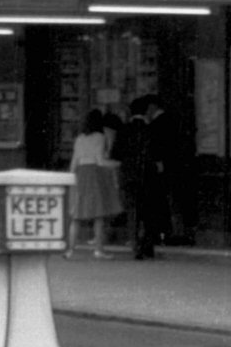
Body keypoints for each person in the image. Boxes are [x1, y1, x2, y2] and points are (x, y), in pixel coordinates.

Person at [122, 94, 174, 260]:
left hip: (129, 176)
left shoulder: (124, 130)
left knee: (133, 212)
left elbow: (117, 153)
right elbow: (157, 153)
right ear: (146, 111)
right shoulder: (151, 129)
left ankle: (135, 245)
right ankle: (148, 244)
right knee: (150, 211)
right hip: (148, 175)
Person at [67, 108, 123, 258]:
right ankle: (99, 249)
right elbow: (100, 160)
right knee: (98, 215)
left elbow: (74, 161)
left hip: (80, 174)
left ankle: (70, 250)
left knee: (77, 215)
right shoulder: (100, 137)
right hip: (95, 175)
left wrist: (71, 179)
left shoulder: (79, 138)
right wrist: (118, 164)